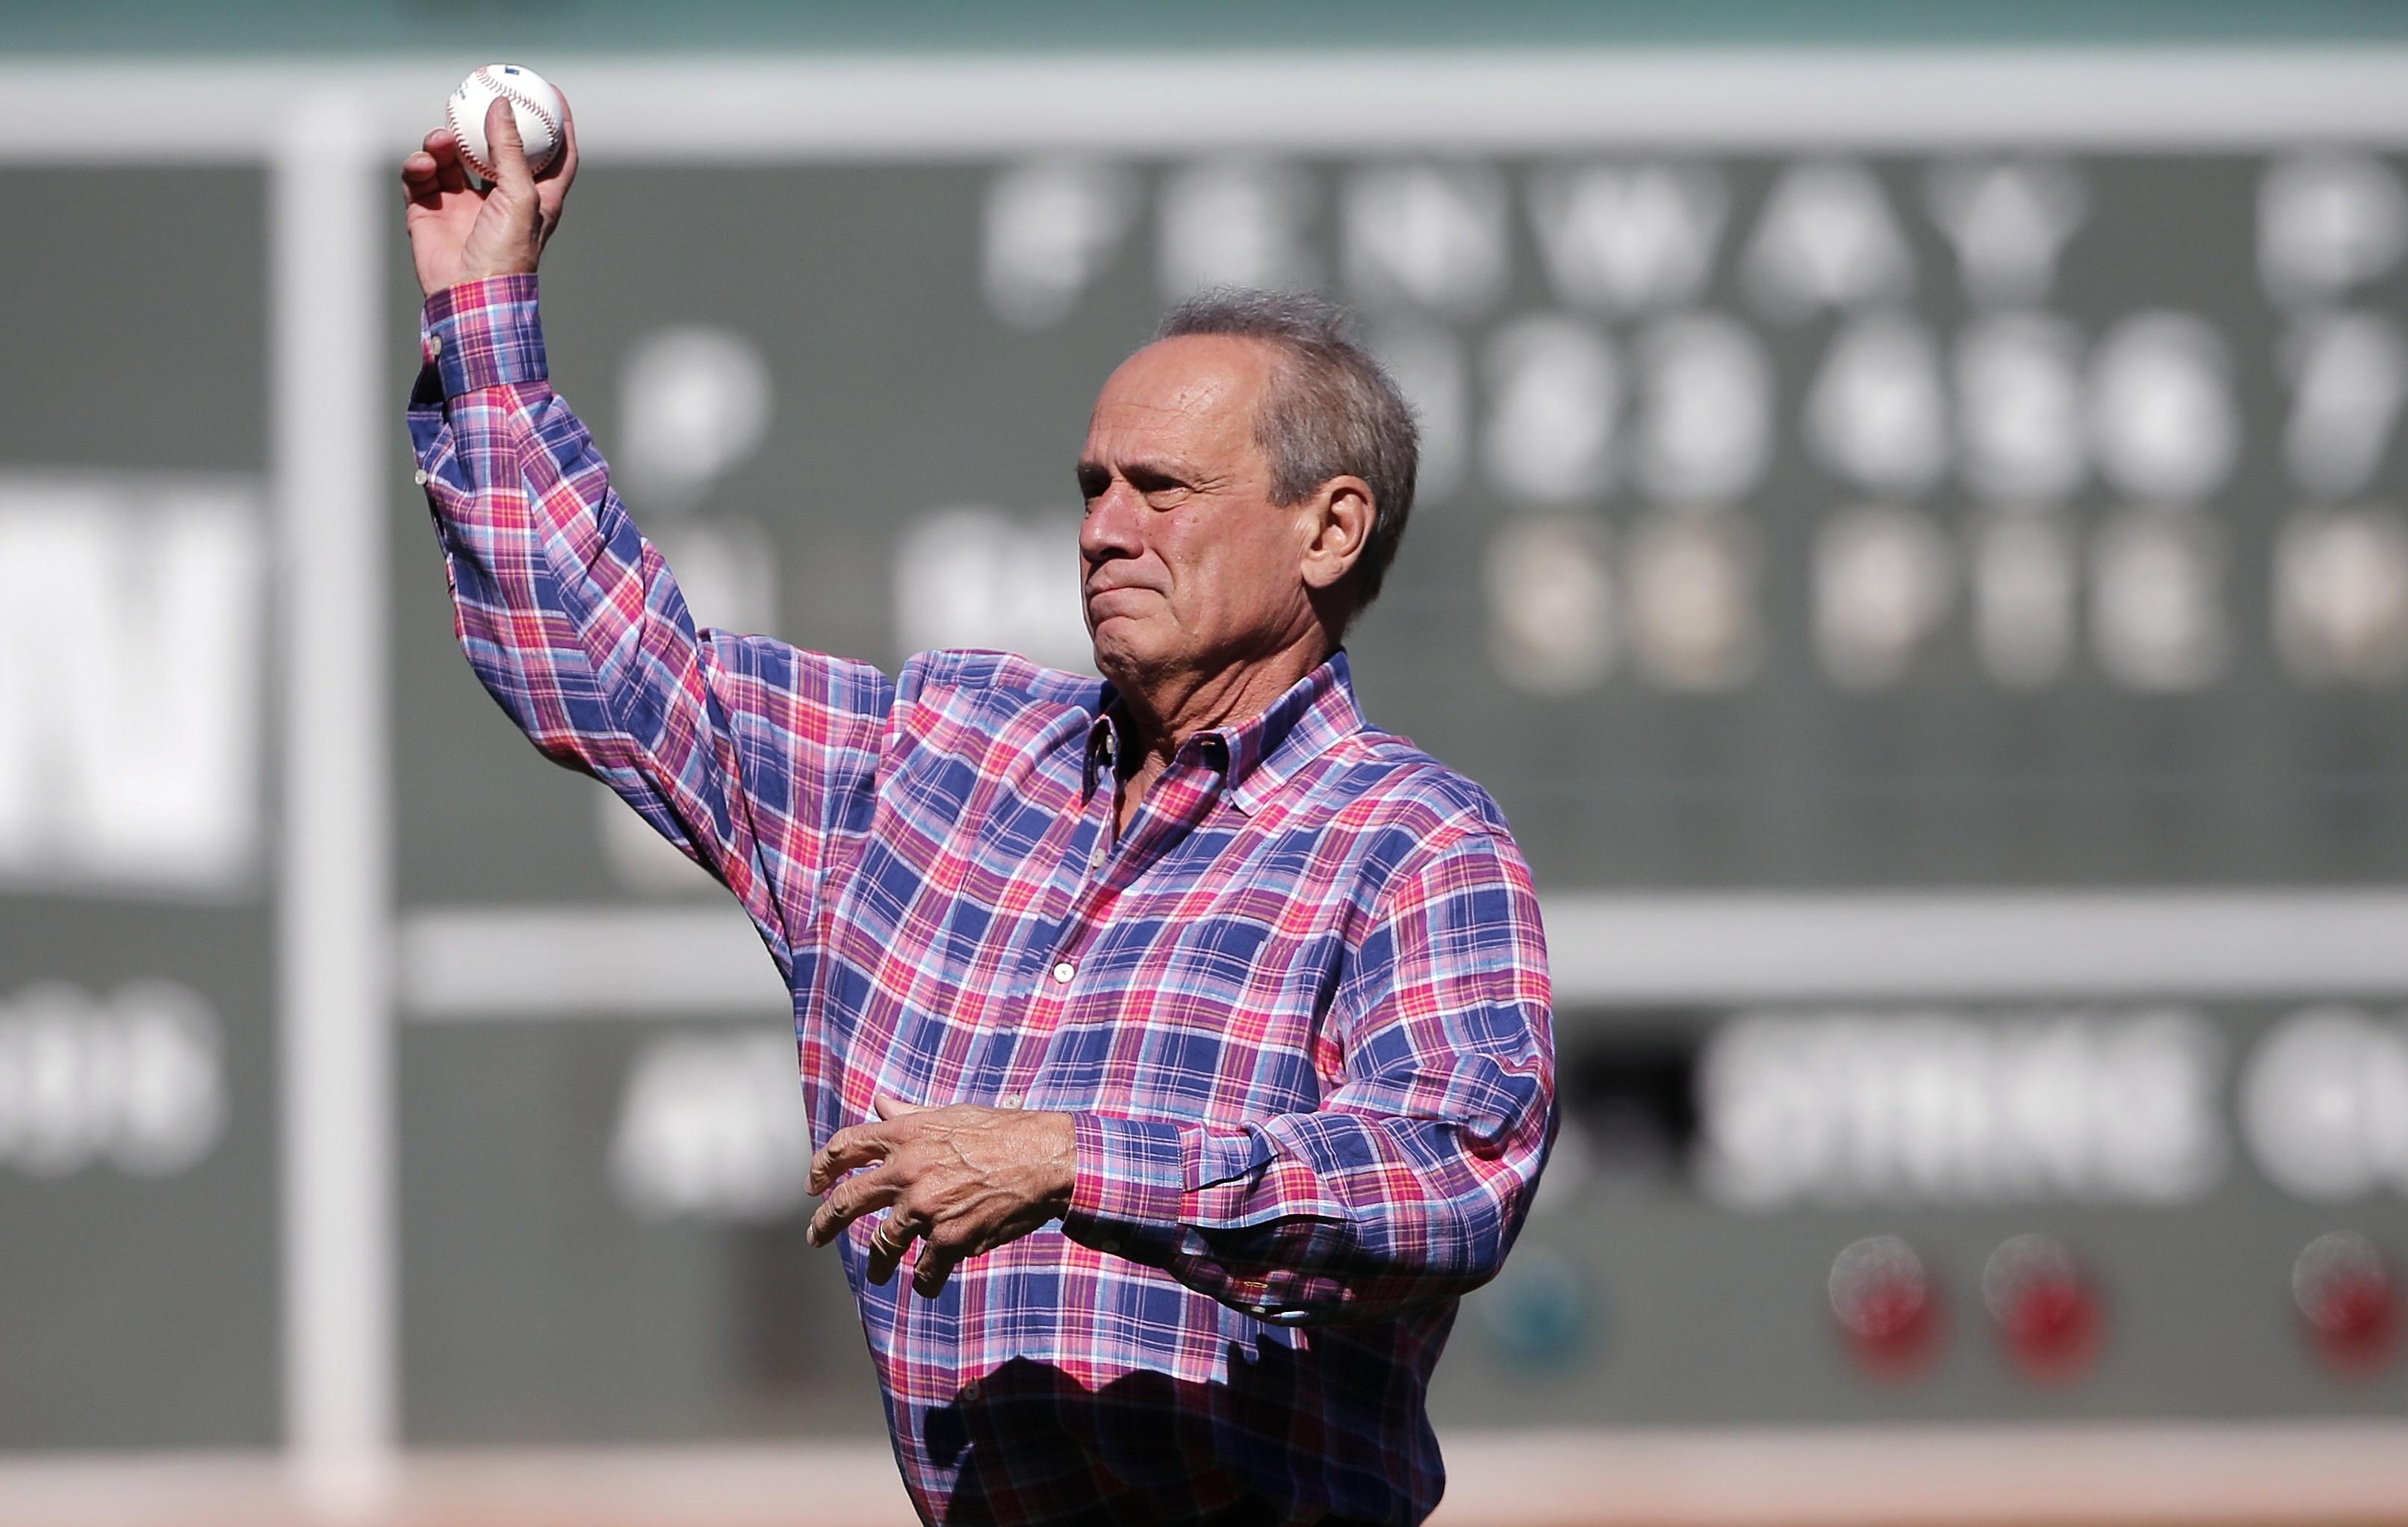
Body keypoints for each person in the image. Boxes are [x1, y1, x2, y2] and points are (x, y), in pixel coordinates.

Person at [401, 94, 1556, 1527]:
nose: (1103, 525)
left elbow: (1447, 1177)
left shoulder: (1412, 842)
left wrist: (1074, 1160)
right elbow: (619, 665)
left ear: (1329, 528)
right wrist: (480, 305)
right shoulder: (938, 761)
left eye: (1164, 488)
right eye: (1092, 486)